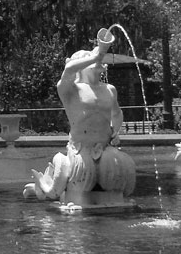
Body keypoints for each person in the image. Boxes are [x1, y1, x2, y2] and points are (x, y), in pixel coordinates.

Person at [25, 28, 135, 206]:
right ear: (82, 65)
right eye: (92, 59)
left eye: (98, 58)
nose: (99, 61)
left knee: (123, 171)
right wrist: (97, 53)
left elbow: (117, 113)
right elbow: (68, 69)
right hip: (80, 151)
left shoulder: (109, 89)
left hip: (104, 148)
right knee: (80, 175)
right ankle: (46, 188)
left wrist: (116, 131)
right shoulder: (71, 90)